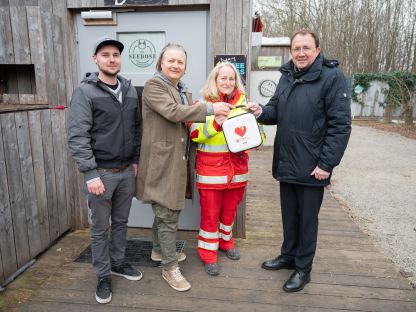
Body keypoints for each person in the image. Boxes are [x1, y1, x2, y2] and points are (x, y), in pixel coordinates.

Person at [247, 29, 351, 292]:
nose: (301, 53)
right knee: (289, 215)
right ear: (291, 52)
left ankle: (303, 269)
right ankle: (289, 256)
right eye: (296, 49)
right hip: (287, 161)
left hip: (313, 166)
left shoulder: (332, 78)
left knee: (307, 220)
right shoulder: (287, 76)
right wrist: (261, 111)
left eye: (306, 48)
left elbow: (341, 126)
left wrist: (326, 165)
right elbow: (275, 111)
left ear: (317, 50)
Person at [136, 43, 231, 291]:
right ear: (161, 63)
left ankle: (159, 251)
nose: (176, 65)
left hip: (178, 161)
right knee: (167, 214)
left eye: (180, 62)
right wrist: (211, 108)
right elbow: (173, 112)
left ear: (185, 67)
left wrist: (221, 118)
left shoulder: (182, 90)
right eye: (171, 61)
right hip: (162, 162)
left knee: (165, 212)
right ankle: (169, 268)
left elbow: (189, 122)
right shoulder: (154, 85)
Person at [68, 36, 142, 304]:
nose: (112, 59)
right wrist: (90, 173)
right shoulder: (85, 92)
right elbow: (77, 136)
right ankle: (102, 275)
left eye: (116, 55)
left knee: (121, 222)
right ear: (95, 59)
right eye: (106, 54)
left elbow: (136, 128)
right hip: (101, 174)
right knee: (100, 229)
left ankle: (118, 262)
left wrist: (135, 158)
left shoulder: (129, 89)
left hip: (125, 172)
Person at [189, 62, 258, 276]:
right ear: (215, 80)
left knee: (229, 212)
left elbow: (257, 137)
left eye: (231, 78)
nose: (227, 82)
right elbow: (194, 134)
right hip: (211, 171)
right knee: (210, 214)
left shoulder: (245, 104)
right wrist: (215, 123)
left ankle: (225, 242)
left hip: (237, 169)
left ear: (236, 81)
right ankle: (208, 254)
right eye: (223, 78)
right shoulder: (202, 103)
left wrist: (256, 121)